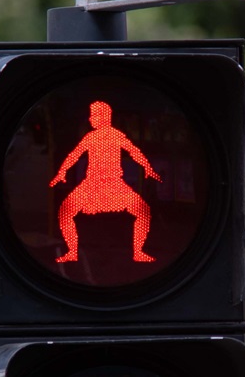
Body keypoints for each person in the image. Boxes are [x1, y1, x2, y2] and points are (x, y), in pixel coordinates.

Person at [49, 100, 162, 263]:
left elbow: (134, 151)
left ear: (104, 117)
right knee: (65, 211)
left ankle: (138, 251)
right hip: (92, 184)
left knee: (143, 211)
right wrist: (61, 171)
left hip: (113, 184)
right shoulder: (91, 137)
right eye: (91, 115)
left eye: (94, 115)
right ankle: (72, 252)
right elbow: (74, 155)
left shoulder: (116, 136)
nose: (90, 119)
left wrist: (148, 168)